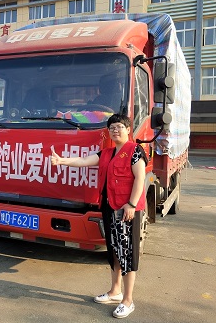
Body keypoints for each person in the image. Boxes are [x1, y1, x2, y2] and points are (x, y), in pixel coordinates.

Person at [51, 113, 147, 319]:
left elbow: (140, 178)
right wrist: (62, 161)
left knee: (128, 253)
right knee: (114, 251)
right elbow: (85, 161)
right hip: (109, 208)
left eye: (120, 126)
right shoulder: (107, 153)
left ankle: (128, 300)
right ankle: (115, 291)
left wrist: (131, 204)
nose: (115, 130)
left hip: (126, 210)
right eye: (112, 127)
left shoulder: (135, 151)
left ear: (128, 130)